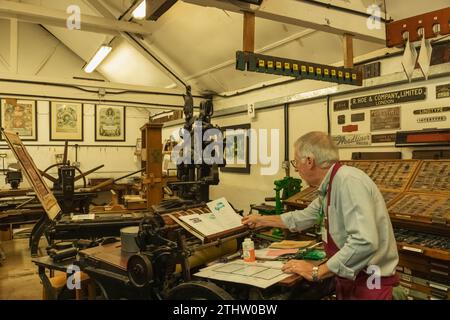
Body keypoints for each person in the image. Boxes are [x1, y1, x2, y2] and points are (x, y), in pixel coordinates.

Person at [242, 131, 399, 300]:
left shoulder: (348, 182)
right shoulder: (331, 185)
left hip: (370, 281)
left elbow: (364, 242)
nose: (297, 170)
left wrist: (317, 271)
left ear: (309, 161)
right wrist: (260, 220)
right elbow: (304, 217)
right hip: (352, 278)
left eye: (296, 163)